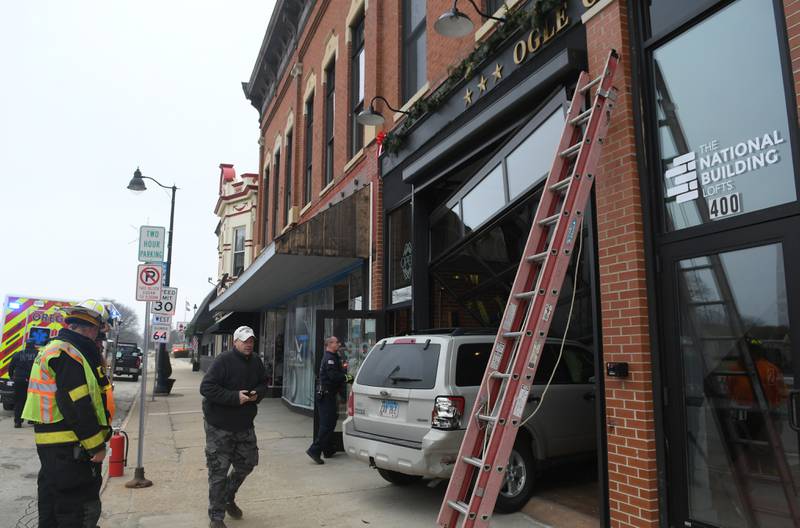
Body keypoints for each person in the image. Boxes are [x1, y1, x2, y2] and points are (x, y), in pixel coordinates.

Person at [21, 299, 112, 528]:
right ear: (92, 328)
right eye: (99, 333)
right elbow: (76, 403)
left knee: (52, 508)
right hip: (72, 448)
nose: (99, 340)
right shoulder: (70, 354)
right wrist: (96, 447)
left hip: (56, 450)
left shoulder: (55, 349)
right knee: (77, 511)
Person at [200, 325, 267, 528]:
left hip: (244, 424)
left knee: (248, 463)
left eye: (251, 341)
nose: (248, 344)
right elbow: (206, 387)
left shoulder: (256, 361)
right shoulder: (223, 361)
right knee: (218, 471)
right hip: (219, 425)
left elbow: (264, 384)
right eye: (244, 340)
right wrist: (234, 397)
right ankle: (216, 516)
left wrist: (257, 394)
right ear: (235, 342)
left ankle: (228, 496)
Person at [306, 336, 353, 465]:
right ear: (330, 344)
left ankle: (328, 449)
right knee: (327, 424)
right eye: (337, 342)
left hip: (330, 395)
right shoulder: (329, 358)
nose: (339, 344)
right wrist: (347, 377)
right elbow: (333, 376)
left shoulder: (334, 357)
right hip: (325, 395)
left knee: (331, 422)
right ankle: (314, 450)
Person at [9, 339, 38, 428]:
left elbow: (11, 367)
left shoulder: (18, 354)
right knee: (32, 400)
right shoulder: (38, 354)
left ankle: (18, 422)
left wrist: (11, 376)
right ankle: (31, 419)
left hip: (19, 380)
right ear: (34, 345)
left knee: (19, 401)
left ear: (26, 345)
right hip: (33, 380)